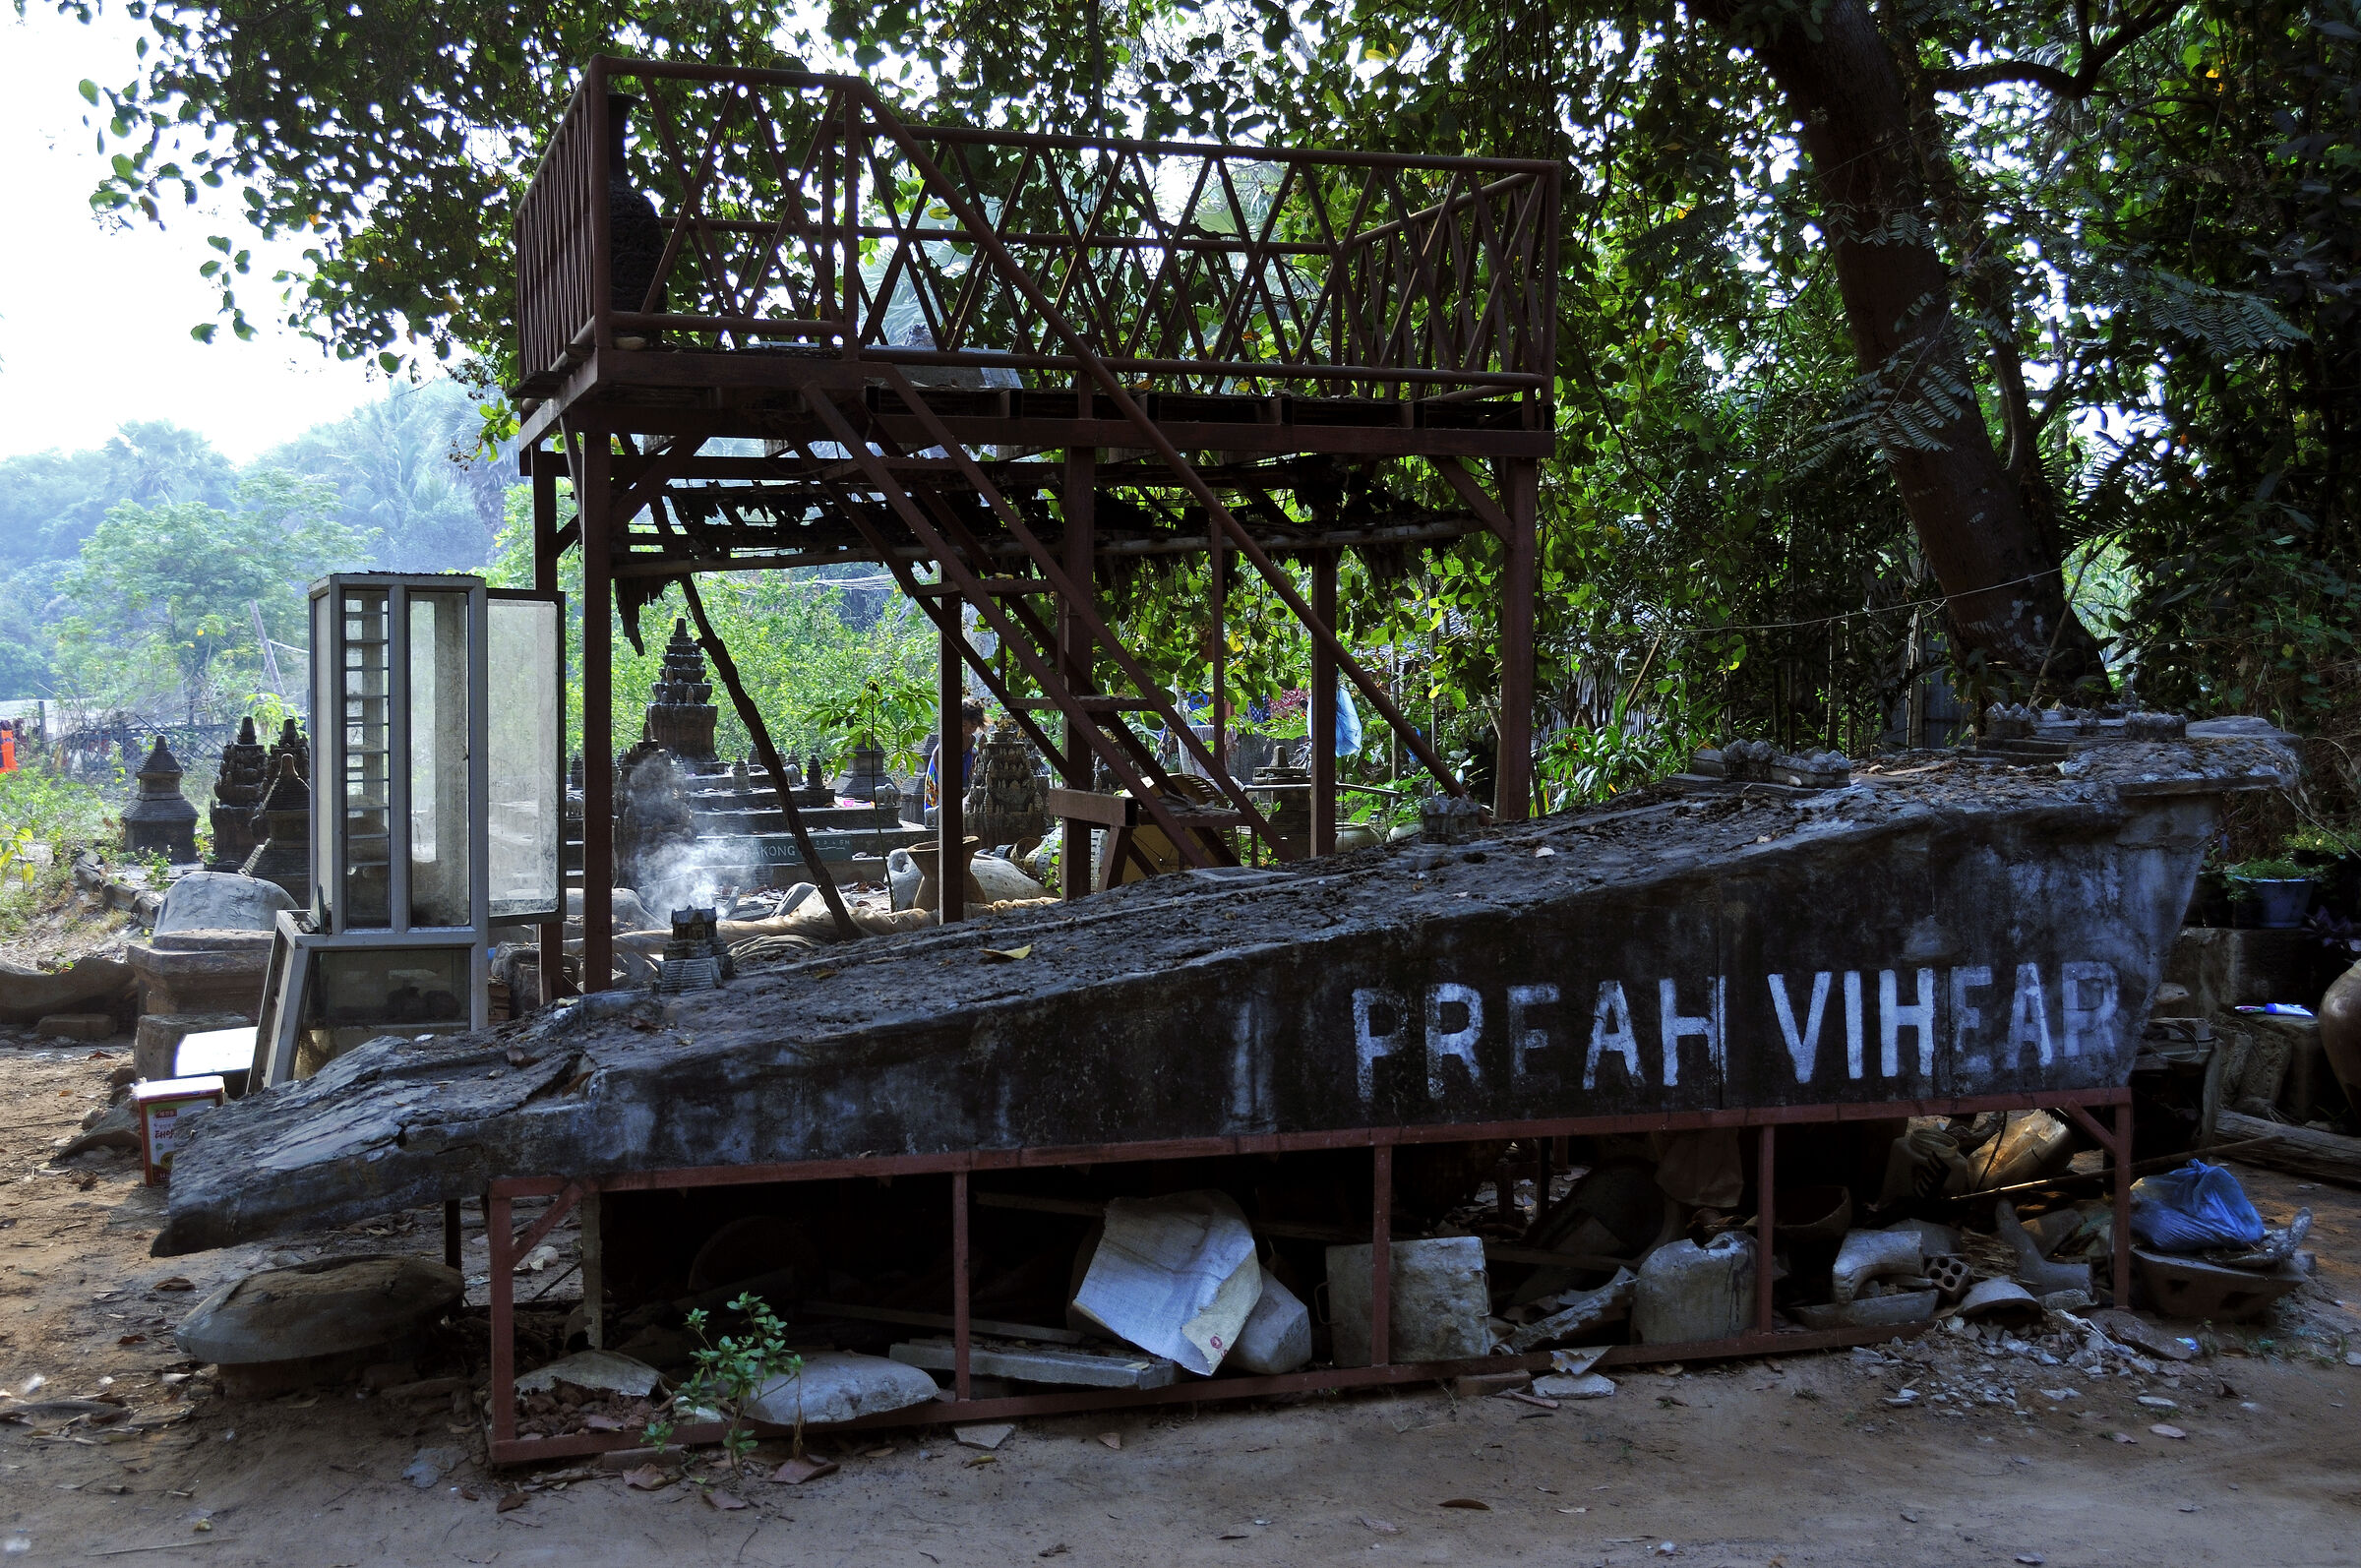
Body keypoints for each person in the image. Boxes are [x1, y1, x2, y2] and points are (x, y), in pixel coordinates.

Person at [924, 697, 987, 814]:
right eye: (964, 724)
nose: (968, 728)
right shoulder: (951, 736)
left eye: (973, 725)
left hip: (961, 772)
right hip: (942, 772)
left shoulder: (972, 739)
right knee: (938, 807)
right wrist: (942, 777)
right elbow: (936, 754)